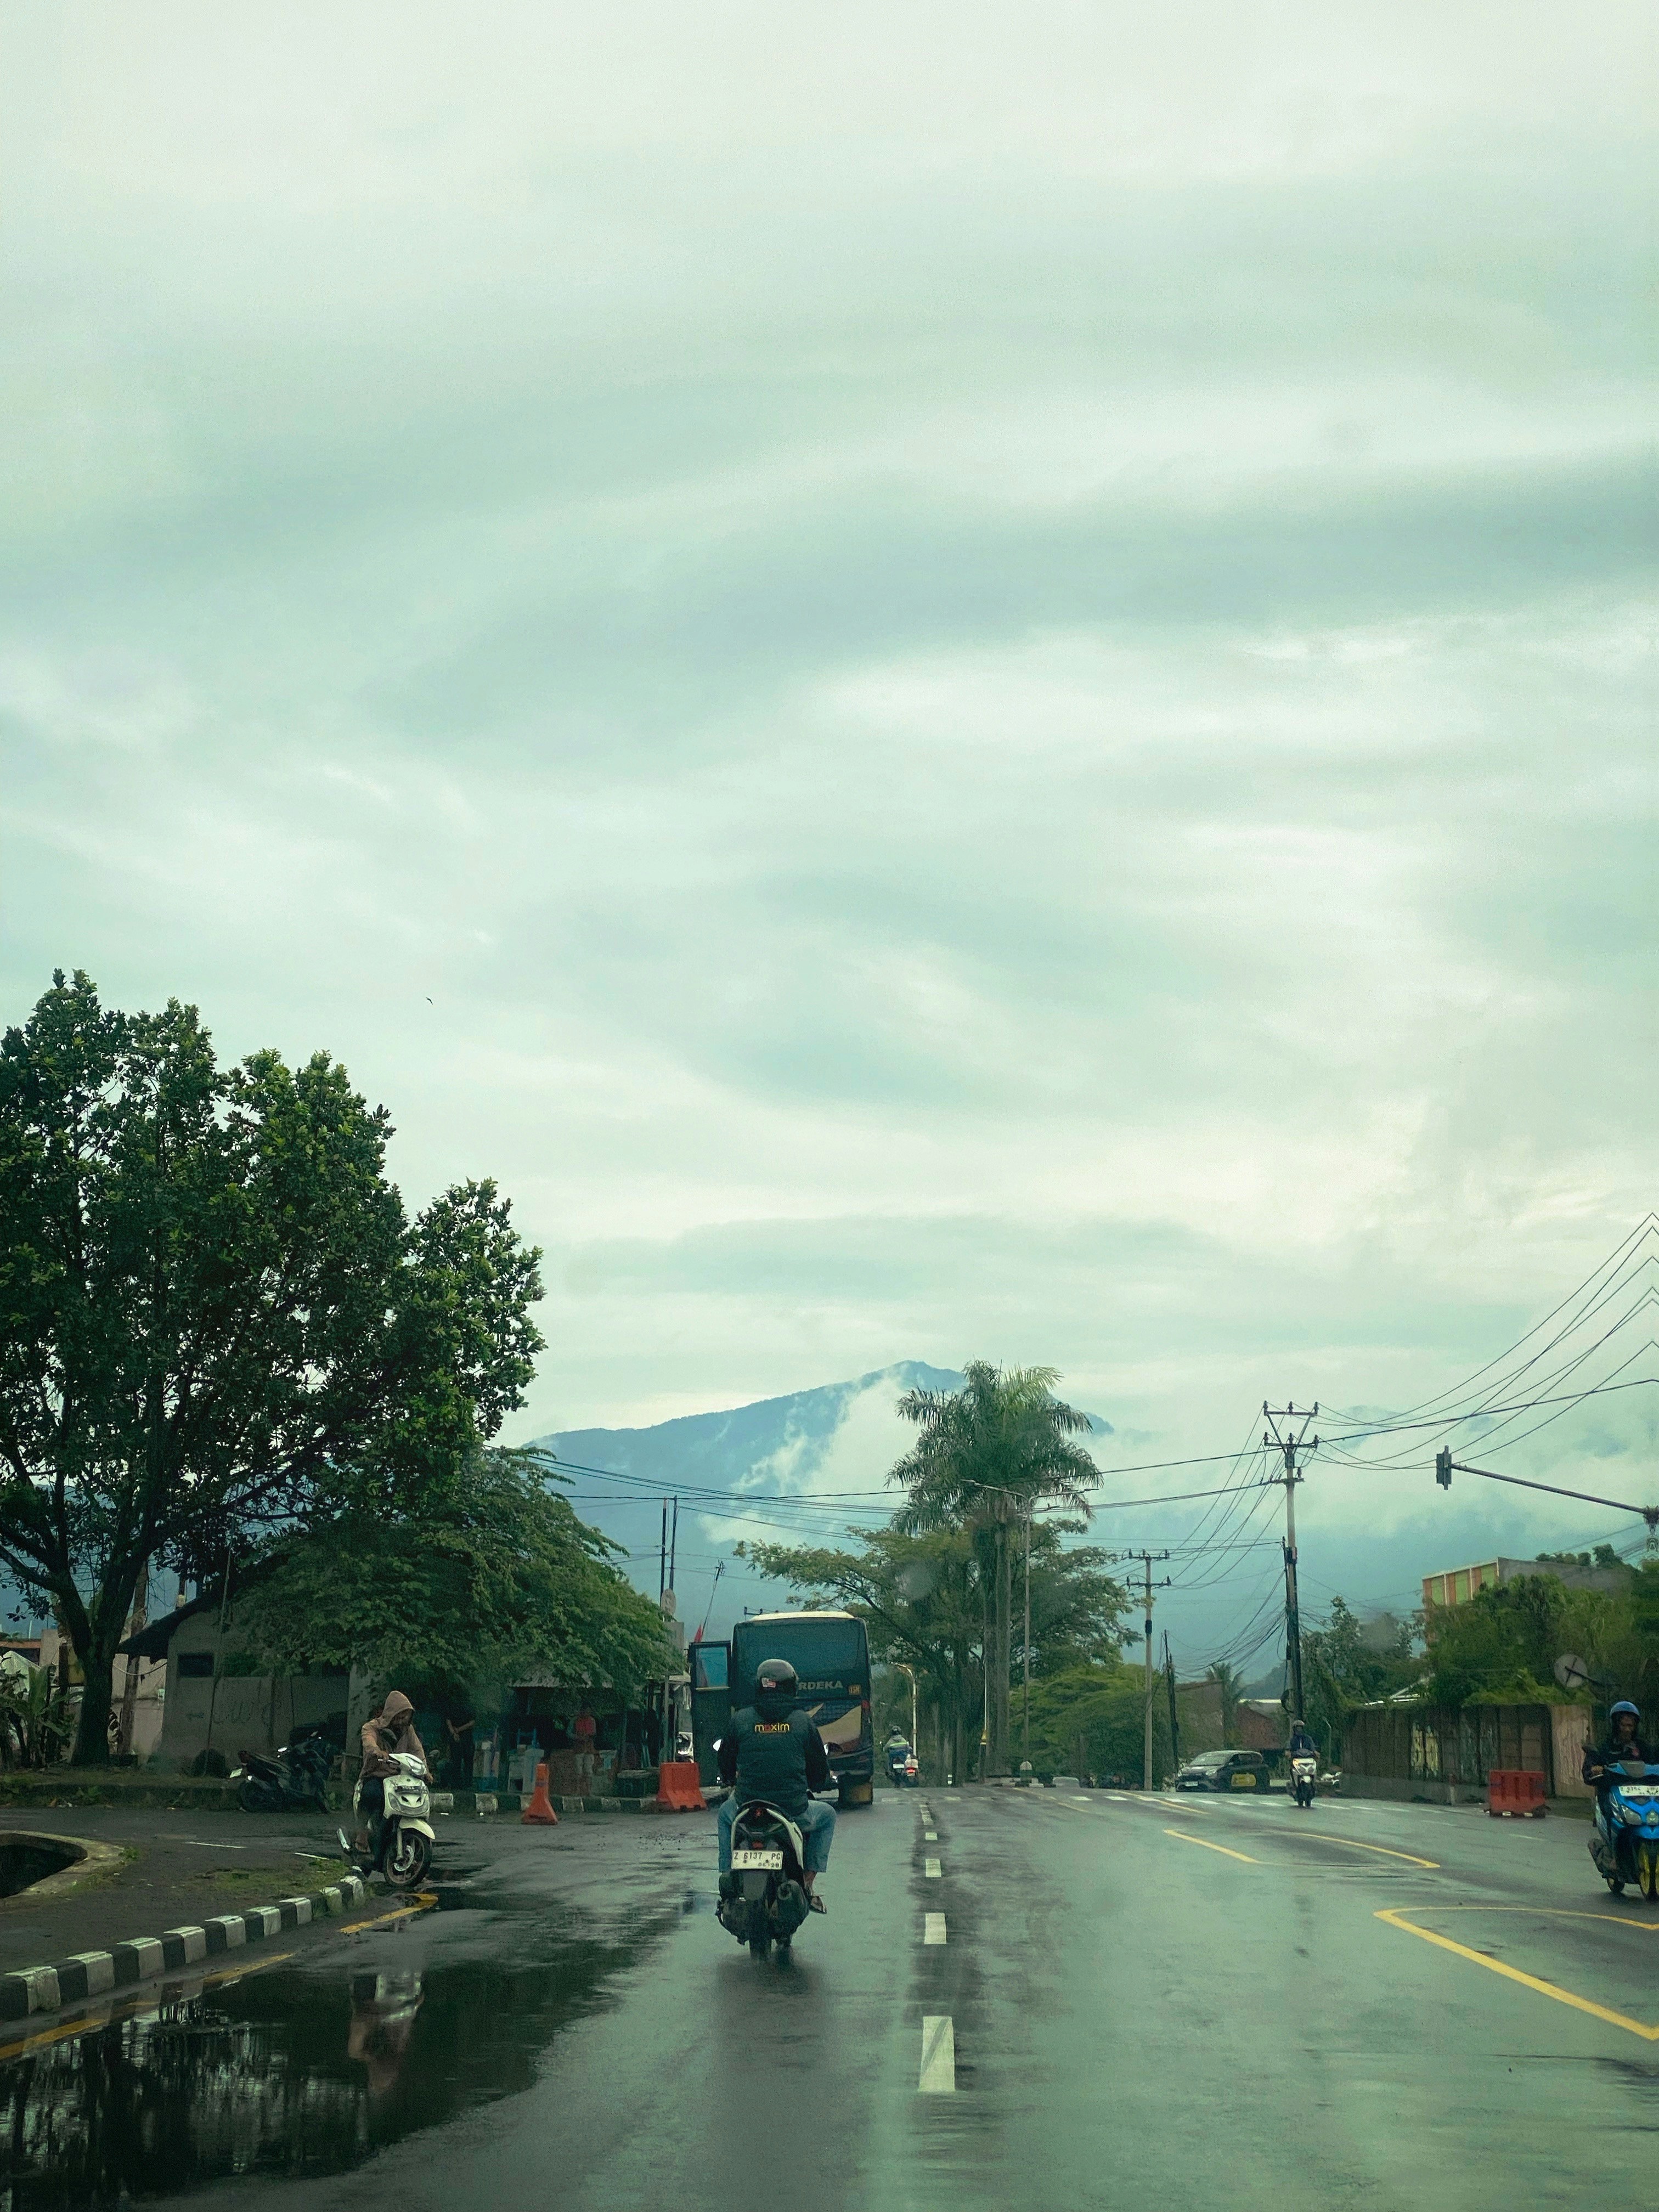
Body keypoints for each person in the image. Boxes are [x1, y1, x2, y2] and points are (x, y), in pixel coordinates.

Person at [717, 1658, 836, 1911]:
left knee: (723, 1815)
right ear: (791, 1687)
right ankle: (807, 1881)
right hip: (793, 1811)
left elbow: (725, 1763)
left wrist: (729, 1779)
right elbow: (818, 1771)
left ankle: (728, 1873)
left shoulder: (740, 1720)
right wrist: (819, 1783)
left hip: (746, 1809)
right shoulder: (803, 1722)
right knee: (827, 1815)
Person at [350, 1690, 430, 1870]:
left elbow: (417, 1751)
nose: (403, 1721)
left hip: (399, 1778)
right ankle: (361, 1834)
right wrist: (376, 1751)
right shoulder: (372, 1728)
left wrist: (425, 1770)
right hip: (376, 1775)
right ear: (391, 1714)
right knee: (372, 1795)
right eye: (400, 1717)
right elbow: (369, 1742)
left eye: (406, 1717)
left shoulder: (408, 1731)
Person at [1583, 1701, 1655, 1792]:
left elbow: (1653, 1766)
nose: (1627, 1730)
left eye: (1630, 1726)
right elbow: (1588, 1771)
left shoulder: (1643, 1747)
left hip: (1640, 1796)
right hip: (1610, 1794)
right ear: (1615, 1726)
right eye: (1623, 1725)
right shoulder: (1603, 1746)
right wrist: (1594, 1770)